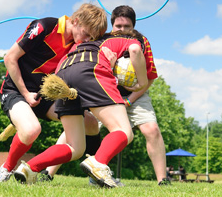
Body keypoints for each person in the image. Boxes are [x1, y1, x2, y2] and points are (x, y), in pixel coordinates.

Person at [43, 5, 170, 186]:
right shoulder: (100, 39)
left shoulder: (141, 41)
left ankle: (162, 180)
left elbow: (149, 77)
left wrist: (129, 99)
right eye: (118, 26)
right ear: (112, 26)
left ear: (133, 26)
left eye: (127, 26)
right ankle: (48, 173)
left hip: (136, 94)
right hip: (104, 92)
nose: (122, 30)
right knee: (76, 126)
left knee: (152, 130)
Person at [12, 26, 148, 188]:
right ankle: (98, 162)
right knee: (124, 130)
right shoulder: (131, 40)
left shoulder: (89, 42)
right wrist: (143, 82)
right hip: (90, 69)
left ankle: (30, 168)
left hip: (63, 74)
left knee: (75, 147)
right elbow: (134, 50)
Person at [0, 3, 106, 184]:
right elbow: (10, 58)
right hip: (16, 91)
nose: (88, 39)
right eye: (87, 33)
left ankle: (97, 173)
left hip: (45, 96)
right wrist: (26, 94)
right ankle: (6, 169)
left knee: (90, 123)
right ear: (76, 21)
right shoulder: (45, 27)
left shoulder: (78, 44)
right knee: (31, 130)